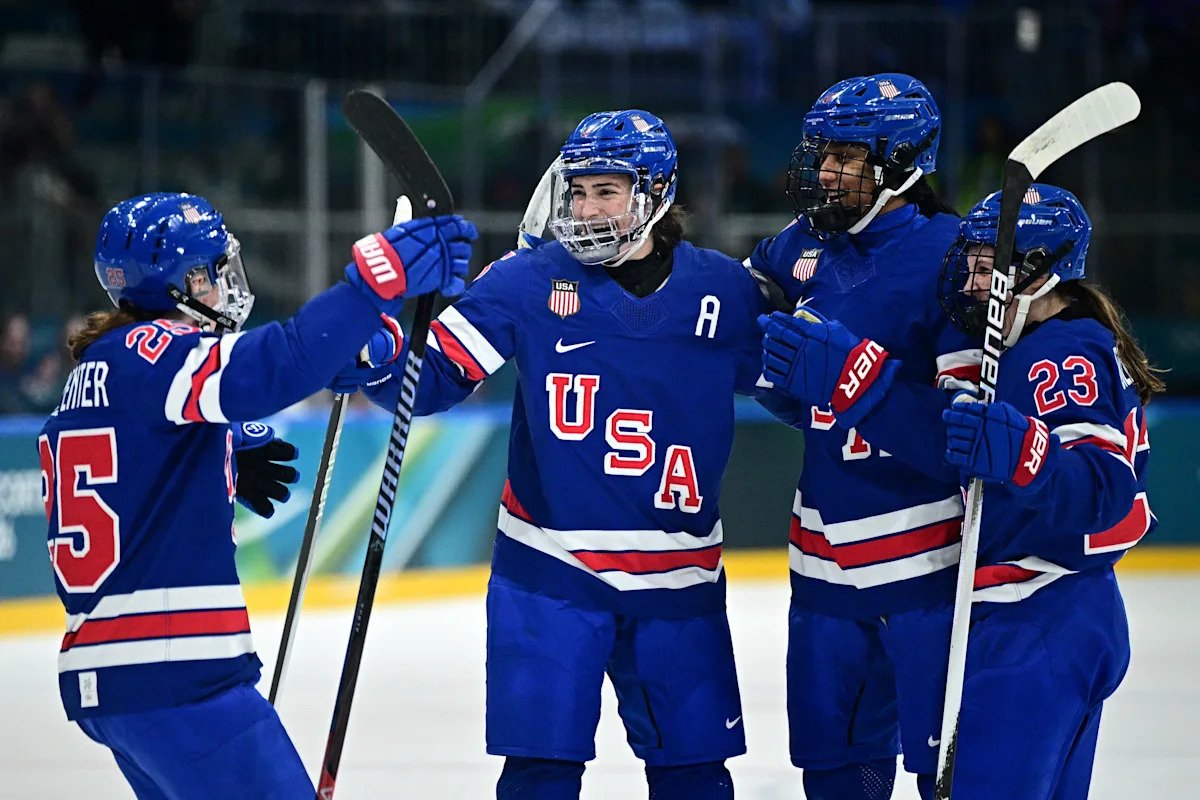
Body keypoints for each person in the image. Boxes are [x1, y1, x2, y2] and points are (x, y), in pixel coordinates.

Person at [334, 110, 784, 799]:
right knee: (540, 774)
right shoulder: (524, 281)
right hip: (550, 574)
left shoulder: (726, 291)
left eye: (607, 191)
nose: (586, 208)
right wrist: (372, 339)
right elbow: (424, 388)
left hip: (680, 583)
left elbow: (795, 395)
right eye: (578, 191)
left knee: (694, 775)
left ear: (656, 192)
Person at [39, 191, 474, 799]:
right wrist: (372, 286)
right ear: (182, 282)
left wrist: (226, 446)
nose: (226, 286)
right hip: (179, 673)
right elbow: (277, 364)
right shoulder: (159, 350)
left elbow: (134, 462)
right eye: (214, 273)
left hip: (111, 681)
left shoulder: (93, 374)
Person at [762, 183, 1161, 798]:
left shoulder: (1059, 353)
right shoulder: (1042, 342)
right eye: (969, 263)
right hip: (1059, 610)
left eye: (986, 267)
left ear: (1038, 275)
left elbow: (1104, 492)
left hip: (1037, 611)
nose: (971, 282)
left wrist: (1028, 455)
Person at [745, 73, 981, 799]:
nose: (826, 173)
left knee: (944, 775)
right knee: (839, 772)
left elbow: (963, 440)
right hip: (821, 569)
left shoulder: (954, 258)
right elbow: (722, 315)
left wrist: (851, 383)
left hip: (927, 568)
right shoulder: (800, 247)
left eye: (848, 156)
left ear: (904, 162)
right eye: (823, 155)